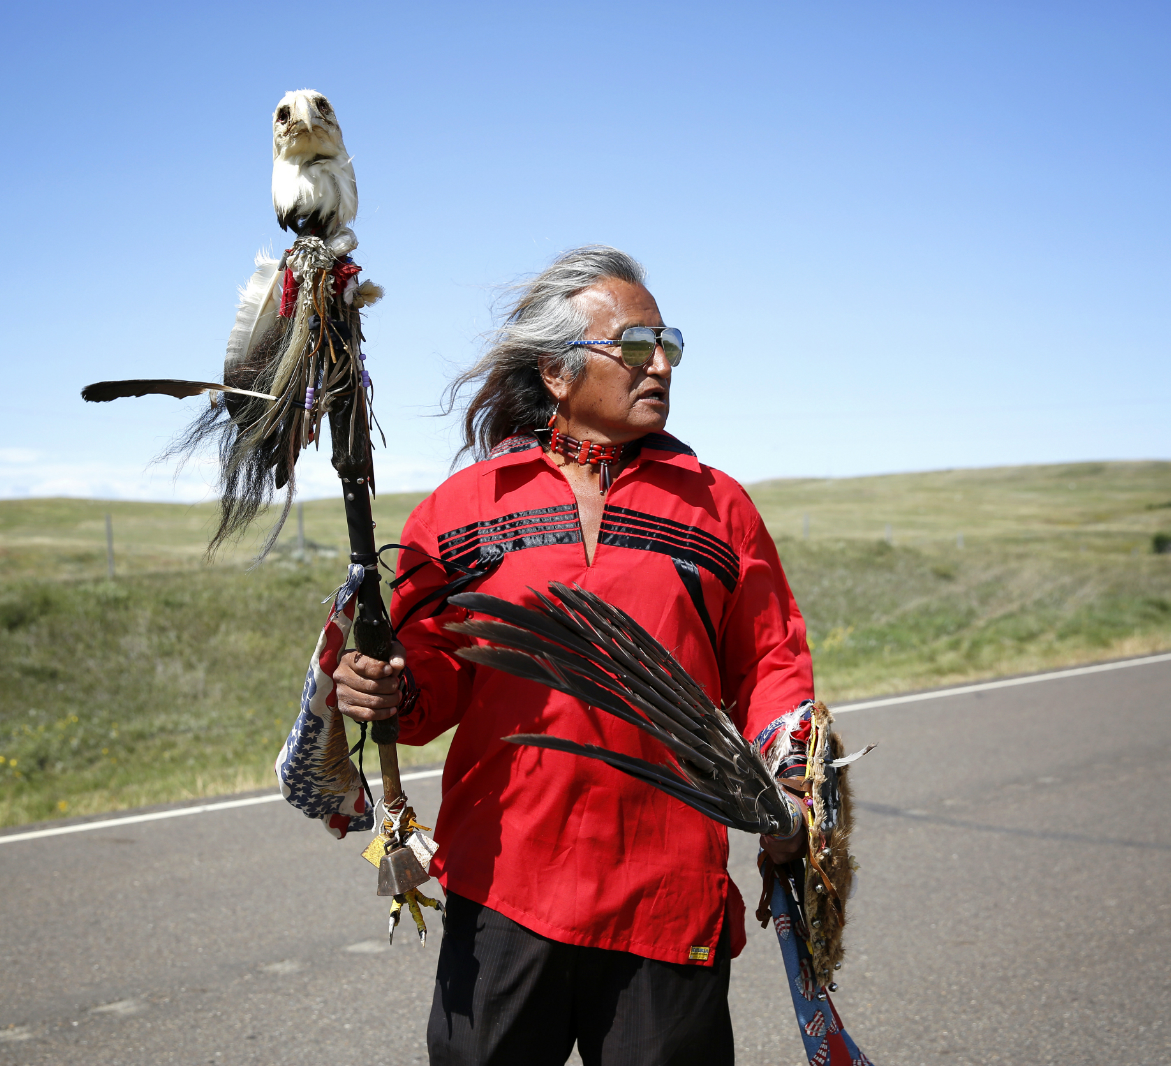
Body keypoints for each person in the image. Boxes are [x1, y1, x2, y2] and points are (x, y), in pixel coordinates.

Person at [331, 246, 815, 1066]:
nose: (659, 364)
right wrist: (384, 688)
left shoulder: (716, 506)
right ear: (557, 374)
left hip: (667, 894)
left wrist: (794, 791)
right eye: (634, 346)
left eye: (668, 345)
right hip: (506, 893)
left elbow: (772, 663)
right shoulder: (462, 512)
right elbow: (429, 692)